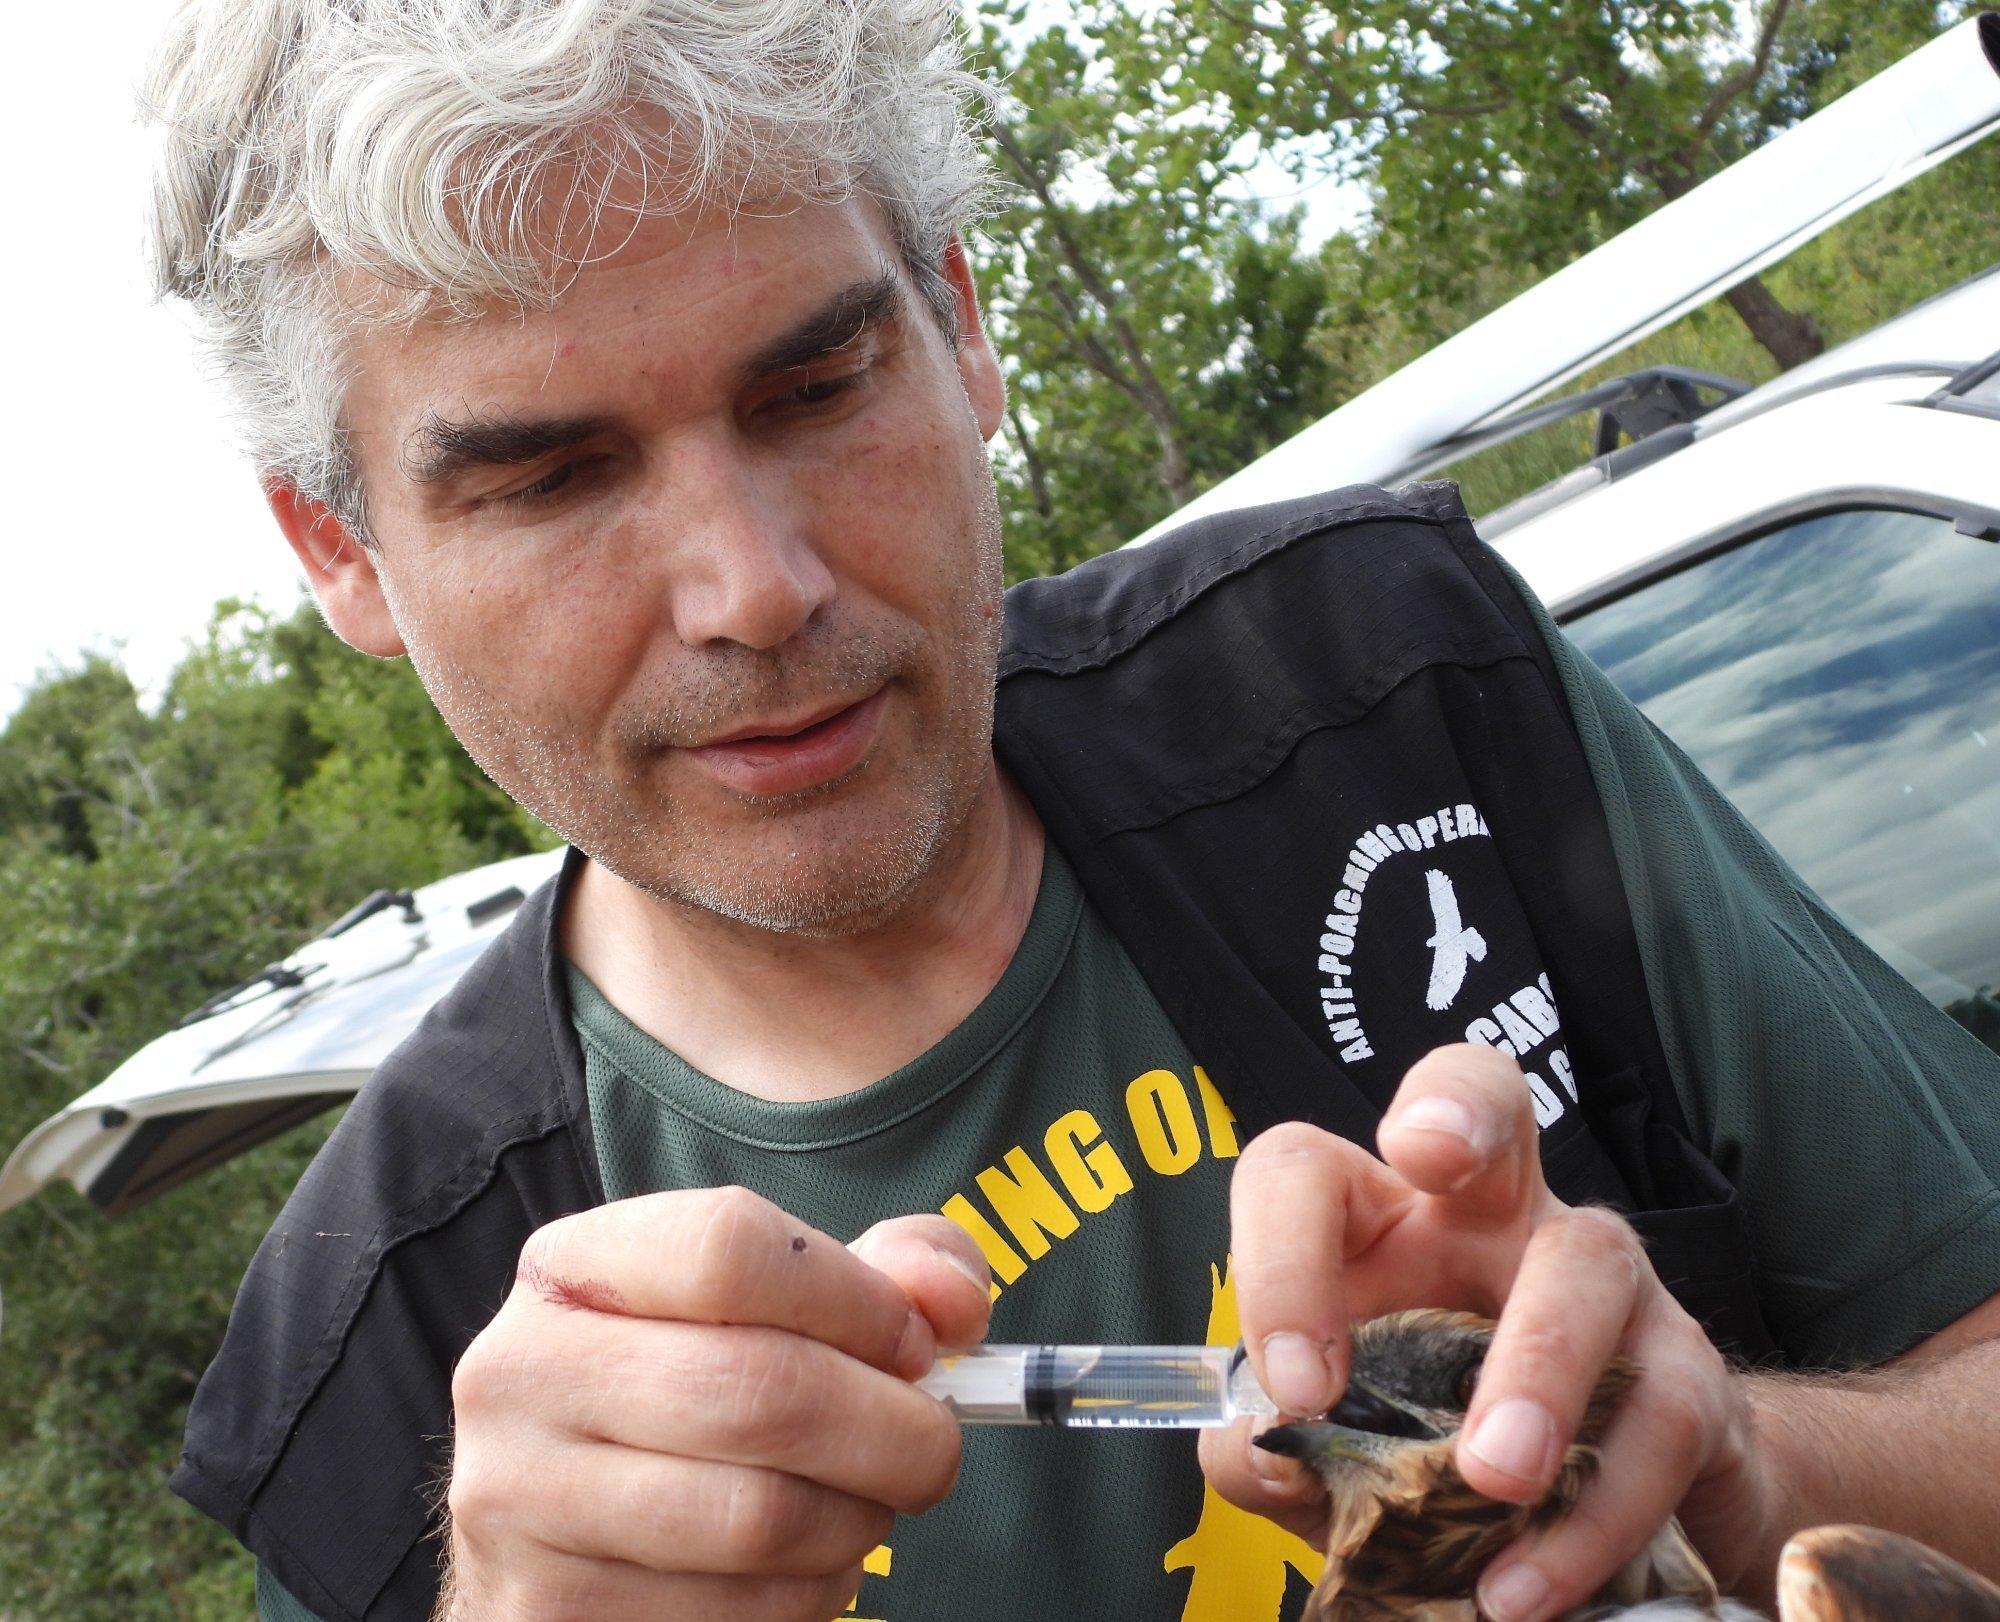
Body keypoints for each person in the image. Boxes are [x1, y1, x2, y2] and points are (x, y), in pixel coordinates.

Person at [145, 3, 2000, 1620]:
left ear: (957, 326)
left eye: (816, 382)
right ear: (344, 547)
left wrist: (1736, 1458)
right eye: (549, 478)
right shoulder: (363, 1348)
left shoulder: (1380, 693)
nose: (753, 584)